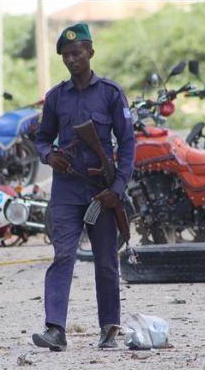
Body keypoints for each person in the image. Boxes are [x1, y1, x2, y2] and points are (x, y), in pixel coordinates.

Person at [32, 23, 135, 352]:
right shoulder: (56, 97)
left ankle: (108, 328)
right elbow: (42, 137)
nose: (71, 59)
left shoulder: (109, 93)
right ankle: (55, 330)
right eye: (65, 54)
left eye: (77, 53)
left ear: (90, 52)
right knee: (62, 257)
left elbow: (129, 143)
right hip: (65, 190)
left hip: (101, 191)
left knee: (106, 260)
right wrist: (49, 156)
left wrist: (117, 188)